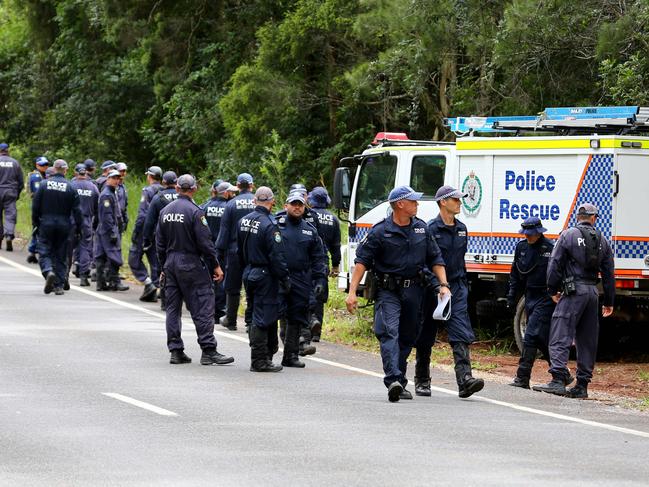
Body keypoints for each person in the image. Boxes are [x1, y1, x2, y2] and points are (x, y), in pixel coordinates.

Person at [346, 185, 449, 402]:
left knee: (408, 336)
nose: (417, 204)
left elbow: (436, 259)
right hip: (388, 291)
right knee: (388, 331)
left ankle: (399, 380)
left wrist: (444, 285)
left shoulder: (422, 228)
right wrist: (352, 292)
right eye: (413, 201)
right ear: (400, 204)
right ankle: (393, 378)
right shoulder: (380, 231)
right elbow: (361, 263)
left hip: (415, 291)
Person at [533, 203, 615, 399]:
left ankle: (558, 380)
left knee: (561, 333)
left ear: (578, 217)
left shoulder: (568, 235)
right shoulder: (603, 240)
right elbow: (609, 274)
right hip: (592, 293)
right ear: (594, 218)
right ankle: (582, 385)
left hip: (573, 291)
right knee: (587, 339)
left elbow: (555, 264)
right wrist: (609, 301)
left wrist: (552, 289)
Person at [414, 185, 484, 399]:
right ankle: (422, 379)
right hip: (432, 289)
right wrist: (436, 286)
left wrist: (461, 286)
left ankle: (465, 380)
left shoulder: (462, 228)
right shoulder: (430, 229)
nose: (460, 202)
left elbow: (460, 260)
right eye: (455, 199)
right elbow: (424, 263)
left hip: (457, 288)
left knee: (460, 332)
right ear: (443, 202)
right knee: (426, 334)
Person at [156, 174, 234, 366]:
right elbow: (205, 243)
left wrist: (163, 266)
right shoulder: (195, 212)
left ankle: (176, 350)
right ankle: (208, 350)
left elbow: (159, 243)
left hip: (171, 263)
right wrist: (215, 265)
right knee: (203, 304)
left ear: (176, 188)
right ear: (194, 189)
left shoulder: (165, 211)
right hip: (190, 263)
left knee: (173, 309)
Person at [237, 186, 289, 372]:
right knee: (263, 317)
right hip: (265, 275)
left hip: (249, 271)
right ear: (272, 201)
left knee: (252, 312)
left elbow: (239, 250)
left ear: (254, 201)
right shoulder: (269, 224)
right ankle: (259, 360)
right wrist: (284, 277)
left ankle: (263, 354)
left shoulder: (243, 221)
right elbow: (276, 255)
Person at [276, 191, 327, 366]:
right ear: (286, 206)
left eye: (300, 205)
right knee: (270, 315)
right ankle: (264, 355)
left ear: (305, 207)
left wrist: (320, 281)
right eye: (293, 204)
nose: (297, 207)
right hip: (278, 277)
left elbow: (318, 258)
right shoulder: (275, 225)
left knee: (296, 318)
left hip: (301, 279)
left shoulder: (310, 231)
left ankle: (290, 356)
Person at [506, 216, 558, 389]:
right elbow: (515, 274)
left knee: (530, 334)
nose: (528, 237)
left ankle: (522, 377)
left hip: (546, 297)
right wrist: (512, 297)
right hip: (529, 296)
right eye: (526, 234)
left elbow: (559, 272)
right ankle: (561, 373)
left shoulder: (550, 248)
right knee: (541, 337)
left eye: (531, 234)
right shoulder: (521, 247)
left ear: (538, 233)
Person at [31, 159, 81, 295]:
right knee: (60, 254)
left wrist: (35, 222)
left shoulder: (43, 184)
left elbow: (35, 206)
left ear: (53, 169)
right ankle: (58, 285)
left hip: (46, 223)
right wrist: (79, 229)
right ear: (65, 170)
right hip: (64, 224)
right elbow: (77, 211)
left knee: (44, 251)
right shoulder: (71, 187)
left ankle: (48, 272)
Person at [215, 172, 256, 330]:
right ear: (251, 185)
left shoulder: (231, 204)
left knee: (232, 287)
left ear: (237, 186)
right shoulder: (258, 201)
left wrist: (218, 256)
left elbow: (223, 233)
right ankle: (250, 322)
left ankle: (231, 320)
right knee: (253, 286)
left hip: (234, 251)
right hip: (254, 252)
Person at [307, 186, 341, 342]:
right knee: (319, 294)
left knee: (305, 291)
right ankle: (316, 331)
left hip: (306, 260)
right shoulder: (333, 219)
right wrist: (335, 265)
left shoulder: (307, 216)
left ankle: (308, 324)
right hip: (323, 261)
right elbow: (336, 246)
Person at [201, 180, 238, 323]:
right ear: (226, 193)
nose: (233, 194)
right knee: (222, 280)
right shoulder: (229, 207)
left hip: (207, 249)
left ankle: (207, 309)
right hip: (224, 249)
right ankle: (219, 311)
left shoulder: (205, 206)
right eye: (232, 192)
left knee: (207, 279)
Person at [143, 171, 178, 309]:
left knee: (163, 268)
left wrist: (146, 239)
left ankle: (165, 301)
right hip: (181, 238)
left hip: (163, 239)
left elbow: (149, 221)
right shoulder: (184, 198)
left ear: (163, 182)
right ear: (176, 183)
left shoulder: (158, 198)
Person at [128, 166, 163, 302]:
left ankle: (148, 283)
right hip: (160, 231)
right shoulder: (164, 191)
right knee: (155, 261)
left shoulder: (148, 191)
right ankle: (157, 287)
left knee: (134, 257)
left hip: (146, 230)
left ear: (150, 176)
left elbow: (143, 215)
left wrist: (137, 231)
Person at [95, 169, 128, 292]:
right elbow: (107, 216)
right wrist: (113, 232)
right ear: (108, 179)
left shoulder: (112, 192)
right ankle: (115, 282)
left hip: (105, 229)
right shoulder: (107, 195)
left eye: (118, 178)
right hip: (107, 230)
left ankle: (102, 283)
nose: (116, 181)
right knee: (114, 256)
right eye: (114, 178)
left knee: (102, 255)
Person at [69, 163, 99, 286]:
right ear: (85, 173)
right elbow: (97, 207)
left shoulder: (71, 186)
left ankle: (65, 276)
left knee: (68, 247)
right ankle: (83, 277)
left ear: (76, 173)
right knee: (85, 248)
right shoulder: (93, 187)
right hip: (86, 220)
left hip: (71, 220)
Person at [26, 156, 50, 263]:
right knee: (38, 228)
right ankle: (35, 251)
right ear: (37, 165)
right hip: (39, 205)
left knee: (39, 228)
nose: (45, 167)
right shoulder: (36, 176)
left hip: (45, 205)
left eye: (46, 165)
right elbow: (37, 193)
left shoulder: (46, 176)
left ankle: (33, 251)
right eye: (42, 165)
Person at [0, 142, 24, 251]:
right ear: (8, 150)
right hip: (11, 192)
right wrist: (17, 194)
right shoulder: (15, 163)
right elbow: (21, 182)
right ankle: (9, 235)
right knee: (10, 215)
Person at [115, 162, 129, 235]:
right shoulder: (114, 186)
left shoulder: (123, 186)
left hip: (121, 220)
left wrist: (126, 219)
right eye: (121, 171)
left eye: (124, 171)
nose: (123, 173)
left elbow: (125, 204)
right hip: (114, 219)